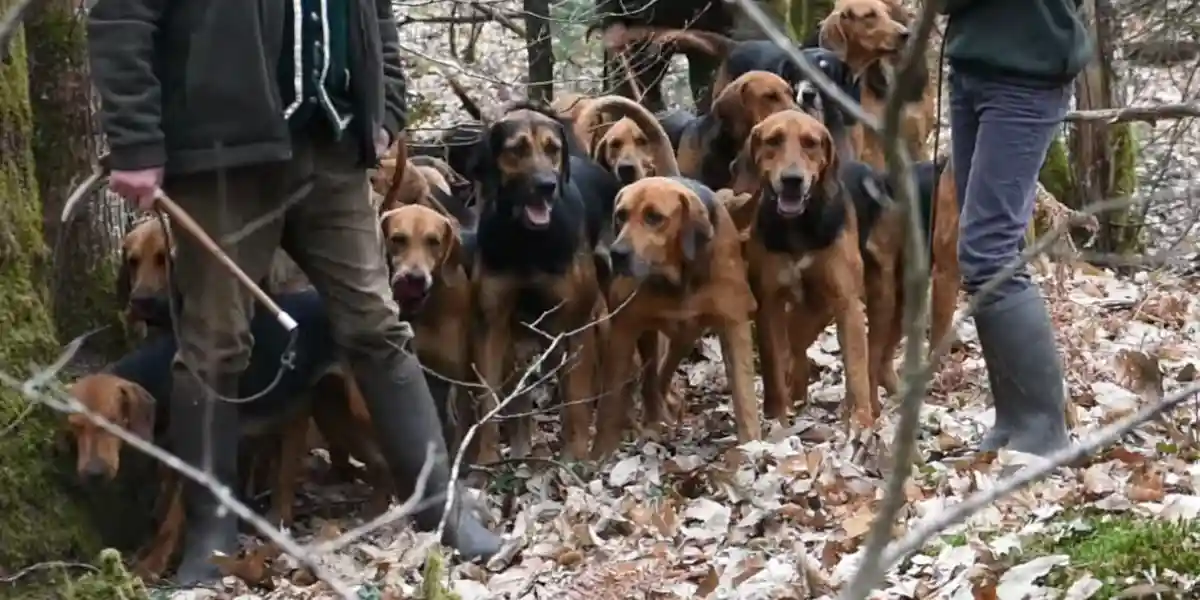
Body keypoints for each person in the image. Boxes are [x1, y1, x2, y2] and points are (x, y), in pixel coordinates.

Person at [87, 0, 502, 585]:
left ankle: (441, 509)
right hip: (221, 158)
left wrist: (385, 107)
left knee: (377, 329)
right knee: (211, 345)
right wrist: (133, 140)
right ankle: (212, 535)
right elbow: (123, 16)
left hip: (333, 152)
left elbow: (374, 13)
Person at [941, 0, 1092, 456]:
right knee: (979, 250)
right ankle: (1012, 422)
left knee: (990, 251)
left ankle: (1043, 431)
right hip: (972, 63)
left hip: (1027, 72)